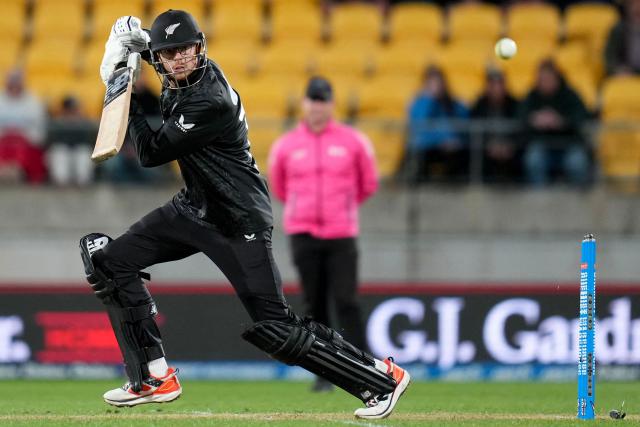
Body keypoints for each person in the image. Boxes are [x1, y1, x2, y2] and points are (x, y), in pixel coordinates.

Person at [78, 11, 409, 420]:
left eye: (186, 50)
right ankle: (152, 376)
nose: (178, 59)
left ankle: (381, 379)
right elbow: (156, 48)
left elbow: (149, 153)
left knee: (276, 328)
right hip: (194, 209)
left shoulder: (208, 100)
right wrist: (134, 39)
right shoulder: (180, 69)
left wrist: (121, 86)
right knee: (108, 262)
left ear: (201, 49)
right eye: (168, 53)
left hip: (239, 222)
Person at [268, 77, 378, 392]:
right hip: (303, 233)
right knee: (314, 306)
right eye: (313, 100)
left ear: (331, 104)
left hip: (341, 233)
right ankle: (324, 374)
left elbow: (367, 183)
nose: (318, 106)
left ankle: (363, 368)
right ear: (305, 104)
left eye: (323, 100)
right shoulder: (287, 145)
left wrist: (340, 208)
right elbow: (280, 186)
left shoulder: (352, 141)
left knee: (347, 300)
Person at [518, 59, 590, 186]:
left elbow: (582, 117)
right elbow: (520, 116)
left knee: (577, 163)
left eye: (548, 79)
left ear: (556, 78)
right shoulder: (532, 96)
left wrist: (561, 121)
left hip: (569, 144)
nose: (544, 83)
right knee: (533, 160)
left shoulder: (570, 95)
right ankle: (539, 200)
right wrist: (534, 119)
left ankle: (577, 202)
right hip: (542, 145)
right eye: (541, 80)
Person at [405, 65, 469, 183]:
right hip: (427, 147)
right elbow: (419, 129)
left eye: (439, 83)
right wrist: (441, 141)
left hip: (450, 148)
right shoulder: (419, 103)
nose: (437, 86)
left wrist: (453, 140)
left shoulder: (452, 103)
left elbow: (463, 123)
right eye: (432, 83)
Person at [470, 68, 519, 183]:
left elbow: (521, 130)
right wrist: (488, 145)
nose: (497, 89)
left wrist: (510, 145)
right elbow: (473, 131)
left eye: (499, 84)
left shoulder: (515, 105)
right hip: (486, 149)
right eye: (493, 85)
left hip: (510, 149)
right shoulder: (479, 105)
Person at [0, 69, 47, 183]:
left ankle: (20, 170)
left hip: (26, 141)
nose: (15, 85)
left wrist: (21, 134)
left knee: (23, 149)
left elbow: (38, 127)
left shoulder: (33, 101)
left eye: (17, 82)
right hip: (3, 139)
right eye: (12, 82)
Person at [47, 96, 96, 186]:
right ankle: (61, 185)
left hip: (79, 152)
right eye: (70, 109)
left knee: (84, 152)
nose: (73, 112)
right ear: (64, 110)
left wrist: (78, 122)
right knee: (59, 152)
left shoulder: (85, 122)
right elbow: (49, 142)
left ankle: (82, 185)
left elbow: (91, 140)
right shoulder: (57, 122)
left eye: (74, 109)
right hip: (63, 152)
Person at [605, 0, 640, 76]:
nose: (637, 7)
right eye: (633, 4)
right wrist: (618, 70)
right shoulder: (619, 30)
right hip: (626, 78)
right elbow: (610, 58)